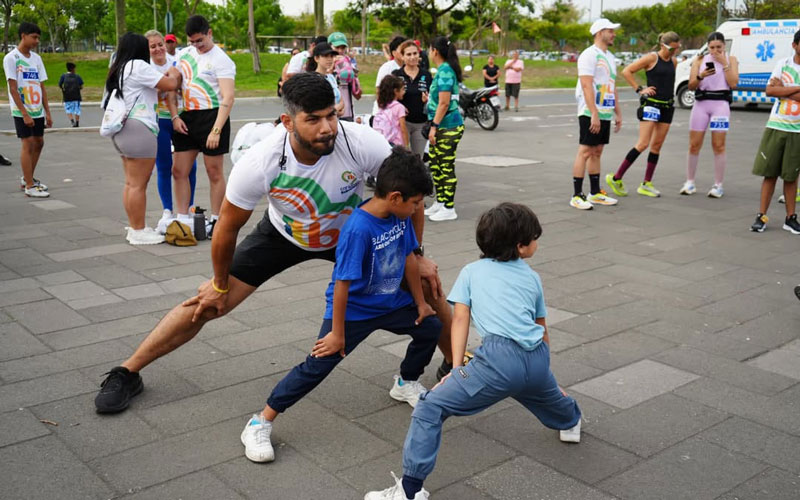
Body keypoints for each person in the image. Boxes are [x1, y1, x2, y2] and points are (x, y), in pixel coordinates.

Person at [93, 73, 453, 414]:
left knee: (425, 281)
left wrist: (416, 252)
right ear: (287, 121)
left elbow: (410, 191)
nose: (327, 128)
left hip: (349, 235)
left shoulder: (360, 141)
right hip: (284, 235)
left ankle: (456, 364)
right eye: (313, 119)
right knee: (207, 303)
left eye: (331, 116)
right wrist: (219, 285)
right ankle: (127, 371)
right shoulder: (260, 162)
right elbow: (227, 229)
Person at [366, 203, 582, 500]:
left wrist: (456, 369)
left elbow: (459, 320)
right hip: (536, 355)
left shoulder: (471, 271)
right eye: (535, 238)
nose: (537, 243)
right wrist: (543, 365)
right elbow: (540, 324)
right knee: (546, 394)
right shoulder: (532, 277)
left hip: (498, 360)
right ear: (520, 247)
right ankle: (571, 421)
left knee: (430, 407)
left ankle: (409, 491)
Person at [241, 147, 442, 463]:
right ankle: (261, 420)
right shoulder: (358, 229)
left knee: (430, 326)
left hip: (391, 302)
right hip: (353, 311)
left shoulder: (398, 217)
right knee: (317, 365)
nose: (419, 209)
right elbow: (342, 285)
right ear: (395, 197)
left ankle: (405, 381)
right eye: (416, 202)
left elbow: (408, 259)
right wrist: (336, 333)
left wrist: (420, 303)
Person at [104, 32, 180, 245]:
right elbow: (170, 84)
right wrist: (174, 71)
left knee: (130, 183)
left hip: (123, 130)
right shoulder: (138, 66)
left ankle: (135, 226)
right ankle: (138, 231)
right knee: (139, 184)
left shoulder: (120, 67)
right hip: (139, 128)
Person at [171, 15, 236, 237]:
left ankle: (217, 220)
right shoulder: (184, 55)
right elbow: (173, 84)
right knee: (179, 171)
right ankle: (182, 219)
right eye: (192, 42)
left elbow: (228, 98)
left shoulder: (222, 60)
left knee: (214, 171)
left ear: (209, 33)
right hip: (187, 117)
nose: (197, 46)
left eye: (200, 40)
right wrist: (174, 116)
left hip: (213, 116)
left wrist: (216, 130)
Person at [607, 32, 681, 198]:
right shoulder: (651, 58)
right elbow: (627, 71)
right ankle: (616, 178)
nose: (674, 52)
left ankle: (646, 184)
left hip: (667, 106)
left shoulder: (674, 61)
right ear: (663, 45)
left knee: (657, 146)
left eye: (677, 48)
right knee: (643, 144)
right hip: (651, 105)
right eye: (672, 49)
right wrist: (640, 89)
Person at [145, 29, 198, 234]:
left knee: (188, 167)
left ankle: (189, 207)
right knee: (164, 165)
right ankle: (167, 210)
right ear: (147, 49)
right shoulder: (145, 68)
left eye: (160, 44)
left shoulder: (177, 62)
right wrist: (164, 84)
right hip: (160, 121)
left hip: (182, 119)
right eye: (153, 46)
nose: (158, 49)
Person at [749, 29, 800, 235]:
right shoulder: (783, 64)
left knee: (791, 176)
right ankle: (761, 216)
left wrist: (785, 88)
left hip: (797, 129)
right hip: (776, 125)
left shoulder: (784, 72)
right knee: (769, 174)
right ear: (795, 45)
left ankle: (791, 218)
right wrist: (795, 90)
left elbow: (778, 90)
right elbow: (770, 90)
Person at [570, 18, 622, 211]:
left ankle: (595, 192)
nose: (614, 34)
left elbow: (612, 85)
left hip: (606, 110)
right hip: (589, 110)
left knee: (597, 151)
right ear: (600, 32)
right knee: (585, 151)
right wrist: (593, 113)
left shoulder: (609, 56)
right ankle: (576, 195)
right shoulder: (589, 55)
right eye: (611, 30)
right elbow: (586, 84)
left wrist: (618, 112)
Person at [680, 31, 739, 198]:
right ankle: (690, 182)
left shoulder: (731, 59)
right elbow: (691, 86)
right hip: (701, 104)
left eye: (718, 47)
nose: (715, 51)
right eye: (712, 47)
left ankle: (718, 184)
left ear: (724, 46)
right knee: (694, 144)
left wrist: (724, 63)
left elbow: (734, 83)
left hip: (720, 104)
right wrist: (700, 75)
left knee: (718, 145)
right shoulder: (699, 60)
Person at [3, 22, 52, 198]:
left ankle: (27, 177)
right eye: (34, 37)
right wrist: (24, 113)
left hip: (37, 108)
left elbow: (42, 86)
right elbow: (13, 88)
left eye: (38, 38)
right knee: (28, 142)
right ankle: (30, 186)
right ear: (23, 35)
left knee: (39, 141)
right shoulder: (11, 58)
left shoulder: (37, 59)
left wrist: (47, 111)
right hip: (21, 109)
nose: (37, 41)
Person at [423, 36, 465, 222]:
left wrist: (434, 126)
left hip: (448, 127)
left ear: (435, 51)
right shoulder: (442, 70)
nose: (428, 53)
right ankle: (440, 202)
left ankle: (449, 207)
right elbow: (439, 100)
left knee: (445, 166)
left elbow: (445, 103)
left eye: (429, 49)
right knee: (435, 164)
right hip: (441, 126)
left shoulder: (446, 71)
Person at [393, 40, 432, 158]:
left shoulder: (427, 75)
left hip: (420, 122)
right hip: (400, 123)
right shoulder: (396, 75)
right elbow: (388, 98)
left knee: (417, 159)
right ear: (402, 57)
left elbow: (434, 99)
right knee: (400, 158)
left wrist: (427, 101)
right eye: (408, 54)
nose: (412, 57)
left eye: (415, 53)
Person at [329, 32, 362, 121]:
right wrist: (332, 67)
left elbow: (358, 95)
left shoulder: (349, 64)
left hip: (347, 113)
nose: (340, 51)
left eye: (343, 47)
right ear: (330, 47)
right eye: (337, 47)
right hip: (330, 113)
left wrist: (353, 77)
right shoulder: (324, 63)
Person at [306, 42, 344, 116]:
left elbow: (341, 101)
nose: (330, 59)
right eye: (326, 56)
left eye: (331, 56)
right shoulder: (312, 80)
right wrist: (334, 111)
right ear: (316, 58)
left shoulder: (331, 77)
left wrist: (337, 110)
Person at [373, 36, 406, 114]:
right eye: (401, 49)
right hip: (386, 112)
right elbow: (378, 90)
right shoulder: (387, 68)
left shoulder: (408, 67)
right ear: (394, 53)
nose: (404, 52)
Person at [373, 75, 409, 147]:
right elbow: (403, 128)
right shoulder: (399, 107)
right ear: (396, 91)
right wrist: (407, 145)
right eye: (402, 89)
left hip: (383, 143)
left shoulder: (382, 104)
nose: (404, 92)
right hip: (396, 144)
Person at [58, 62, 83, 127]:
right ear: (73, 69)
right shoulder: (77, 76)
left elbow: (60, 84)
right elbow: (81, 86)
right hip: (76, 96)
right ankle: (77, 122)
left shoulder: (63, 76)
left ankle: (72, 121)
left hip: (67, 96)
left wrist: (63, 89)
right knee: (77, 109)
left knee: (68, 109)